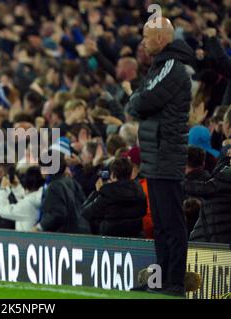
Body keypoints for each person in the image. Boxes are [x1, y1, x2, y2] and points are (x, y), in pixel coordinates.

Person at [126, 17, 195, 296]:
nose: (142, 42)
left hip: (166, 155)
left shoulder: (171, 67)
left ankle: (175, 282)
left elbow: (140, 101)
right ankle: (160, 280)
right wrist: (137, 102)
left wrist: (137, 102)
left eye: (146, 36)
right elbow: (138, 101)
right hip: (156, 157)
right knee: (160, 224)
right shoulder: (158, 67)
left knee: (171, 223)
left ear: (161, 39)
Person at [81, 157, 147, 238]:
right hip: (135, 237)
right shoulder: (140, 192)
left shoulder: (107, 194)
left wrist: (97, 192)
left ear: (112, 175)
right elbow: (144, 211)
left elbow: (86, 213)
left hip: (109, 240)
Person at [0, 166, 44, 231]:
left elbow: (2, 210)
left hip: (25, 240)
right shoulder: (42, 196)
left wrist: (3, 189)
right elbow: (27, 199)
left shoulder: (27, 205)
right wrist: (17, 187)